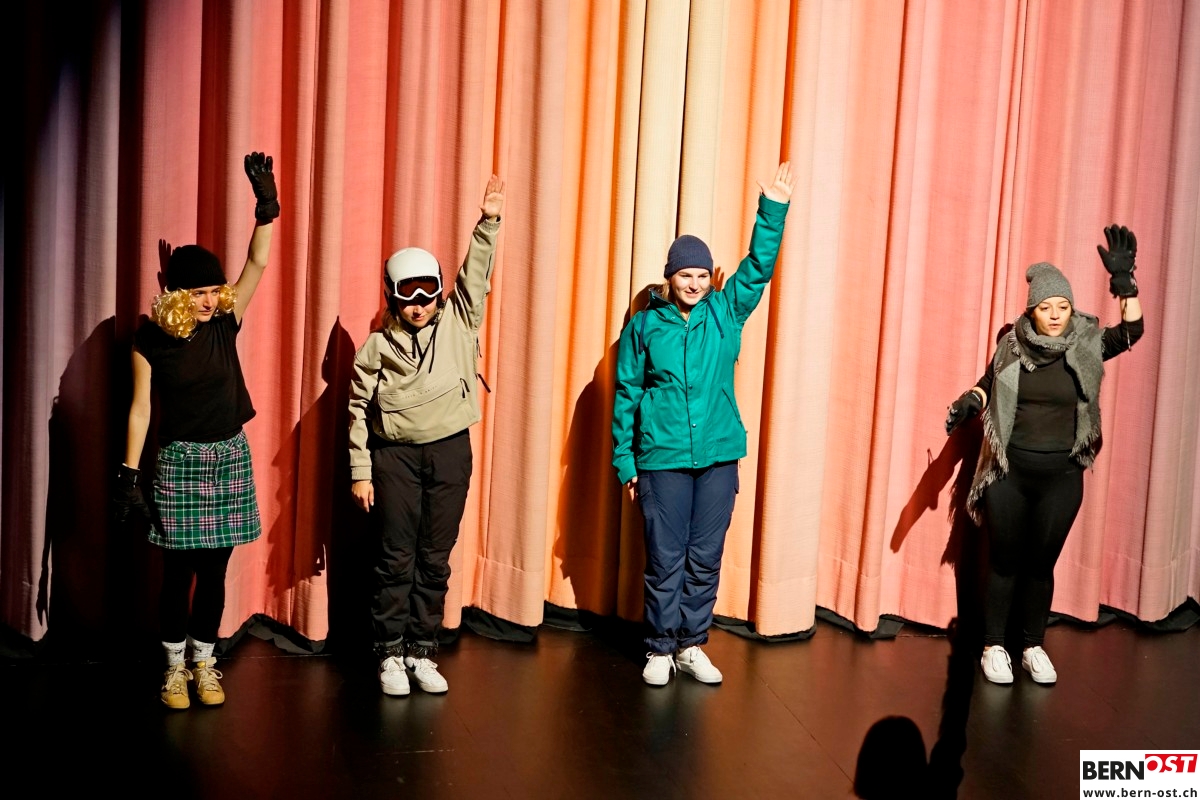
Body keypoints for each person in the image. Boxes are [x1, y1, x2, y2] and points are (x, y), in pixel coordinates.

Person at [612, 162, 795, 686]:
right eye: (683, 275)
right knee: (665, 557)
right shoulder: (644, 326)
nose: (693, 283)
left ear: (709, 278)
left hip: (717, 456)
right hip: (662, 458)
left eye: (700, 275)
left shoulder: (725, 313)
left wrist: (773, 209)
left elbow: (757, 268)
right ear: (669, 278)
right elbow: (627, 393)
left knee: (705, 556)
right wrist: (626, 461)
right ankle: (659, 647)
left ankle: (692, 644)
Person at [944, 225, 1144, 685]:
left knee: (1040, 565)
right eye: (1045, 307)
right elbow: (988, 383)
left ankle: (1032, 645)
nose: (1055, 315)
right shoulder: (1011, 345)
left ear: (1071, 309)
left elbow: (1132, 331)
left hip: (1062, 477)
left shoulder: (1087, 343)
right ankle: (995, 646)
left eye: (1063, 307)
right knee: (1004, 562)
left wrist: (1125, 284)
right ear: (1031, 310)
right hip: (1009, 473)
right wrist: (969, 402)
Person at [114, 152, 279, 709]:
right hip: (180, 461)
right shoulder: (150, 340)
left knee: (214, 572)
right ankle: (173, 669)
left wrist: (266, 209)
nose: (210, 300)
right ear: (176, 296)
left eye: (214, 290)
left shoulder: (225, 324)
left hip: (229, 455)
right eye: (198, 293)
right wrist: (127, 475)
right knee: (176, 573)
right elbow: (140, 409)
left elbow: (255, 264)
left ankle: (205, 664)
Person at [349, 175, 505, 696]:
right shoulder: (376, 347)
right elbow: (356, 410)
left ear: (439, 292)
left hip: (450, 451)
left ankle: (421, 650)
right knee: (396, 557)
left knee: (435, 557)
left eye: (428, 293)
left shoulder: (459, 322)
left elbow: (475, 275)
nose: (418, 304)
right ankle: (389, 654)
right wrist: (361, 471)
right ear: (391, 296)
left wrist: (488, 222)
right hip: (394, 456)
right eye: (406, 294)